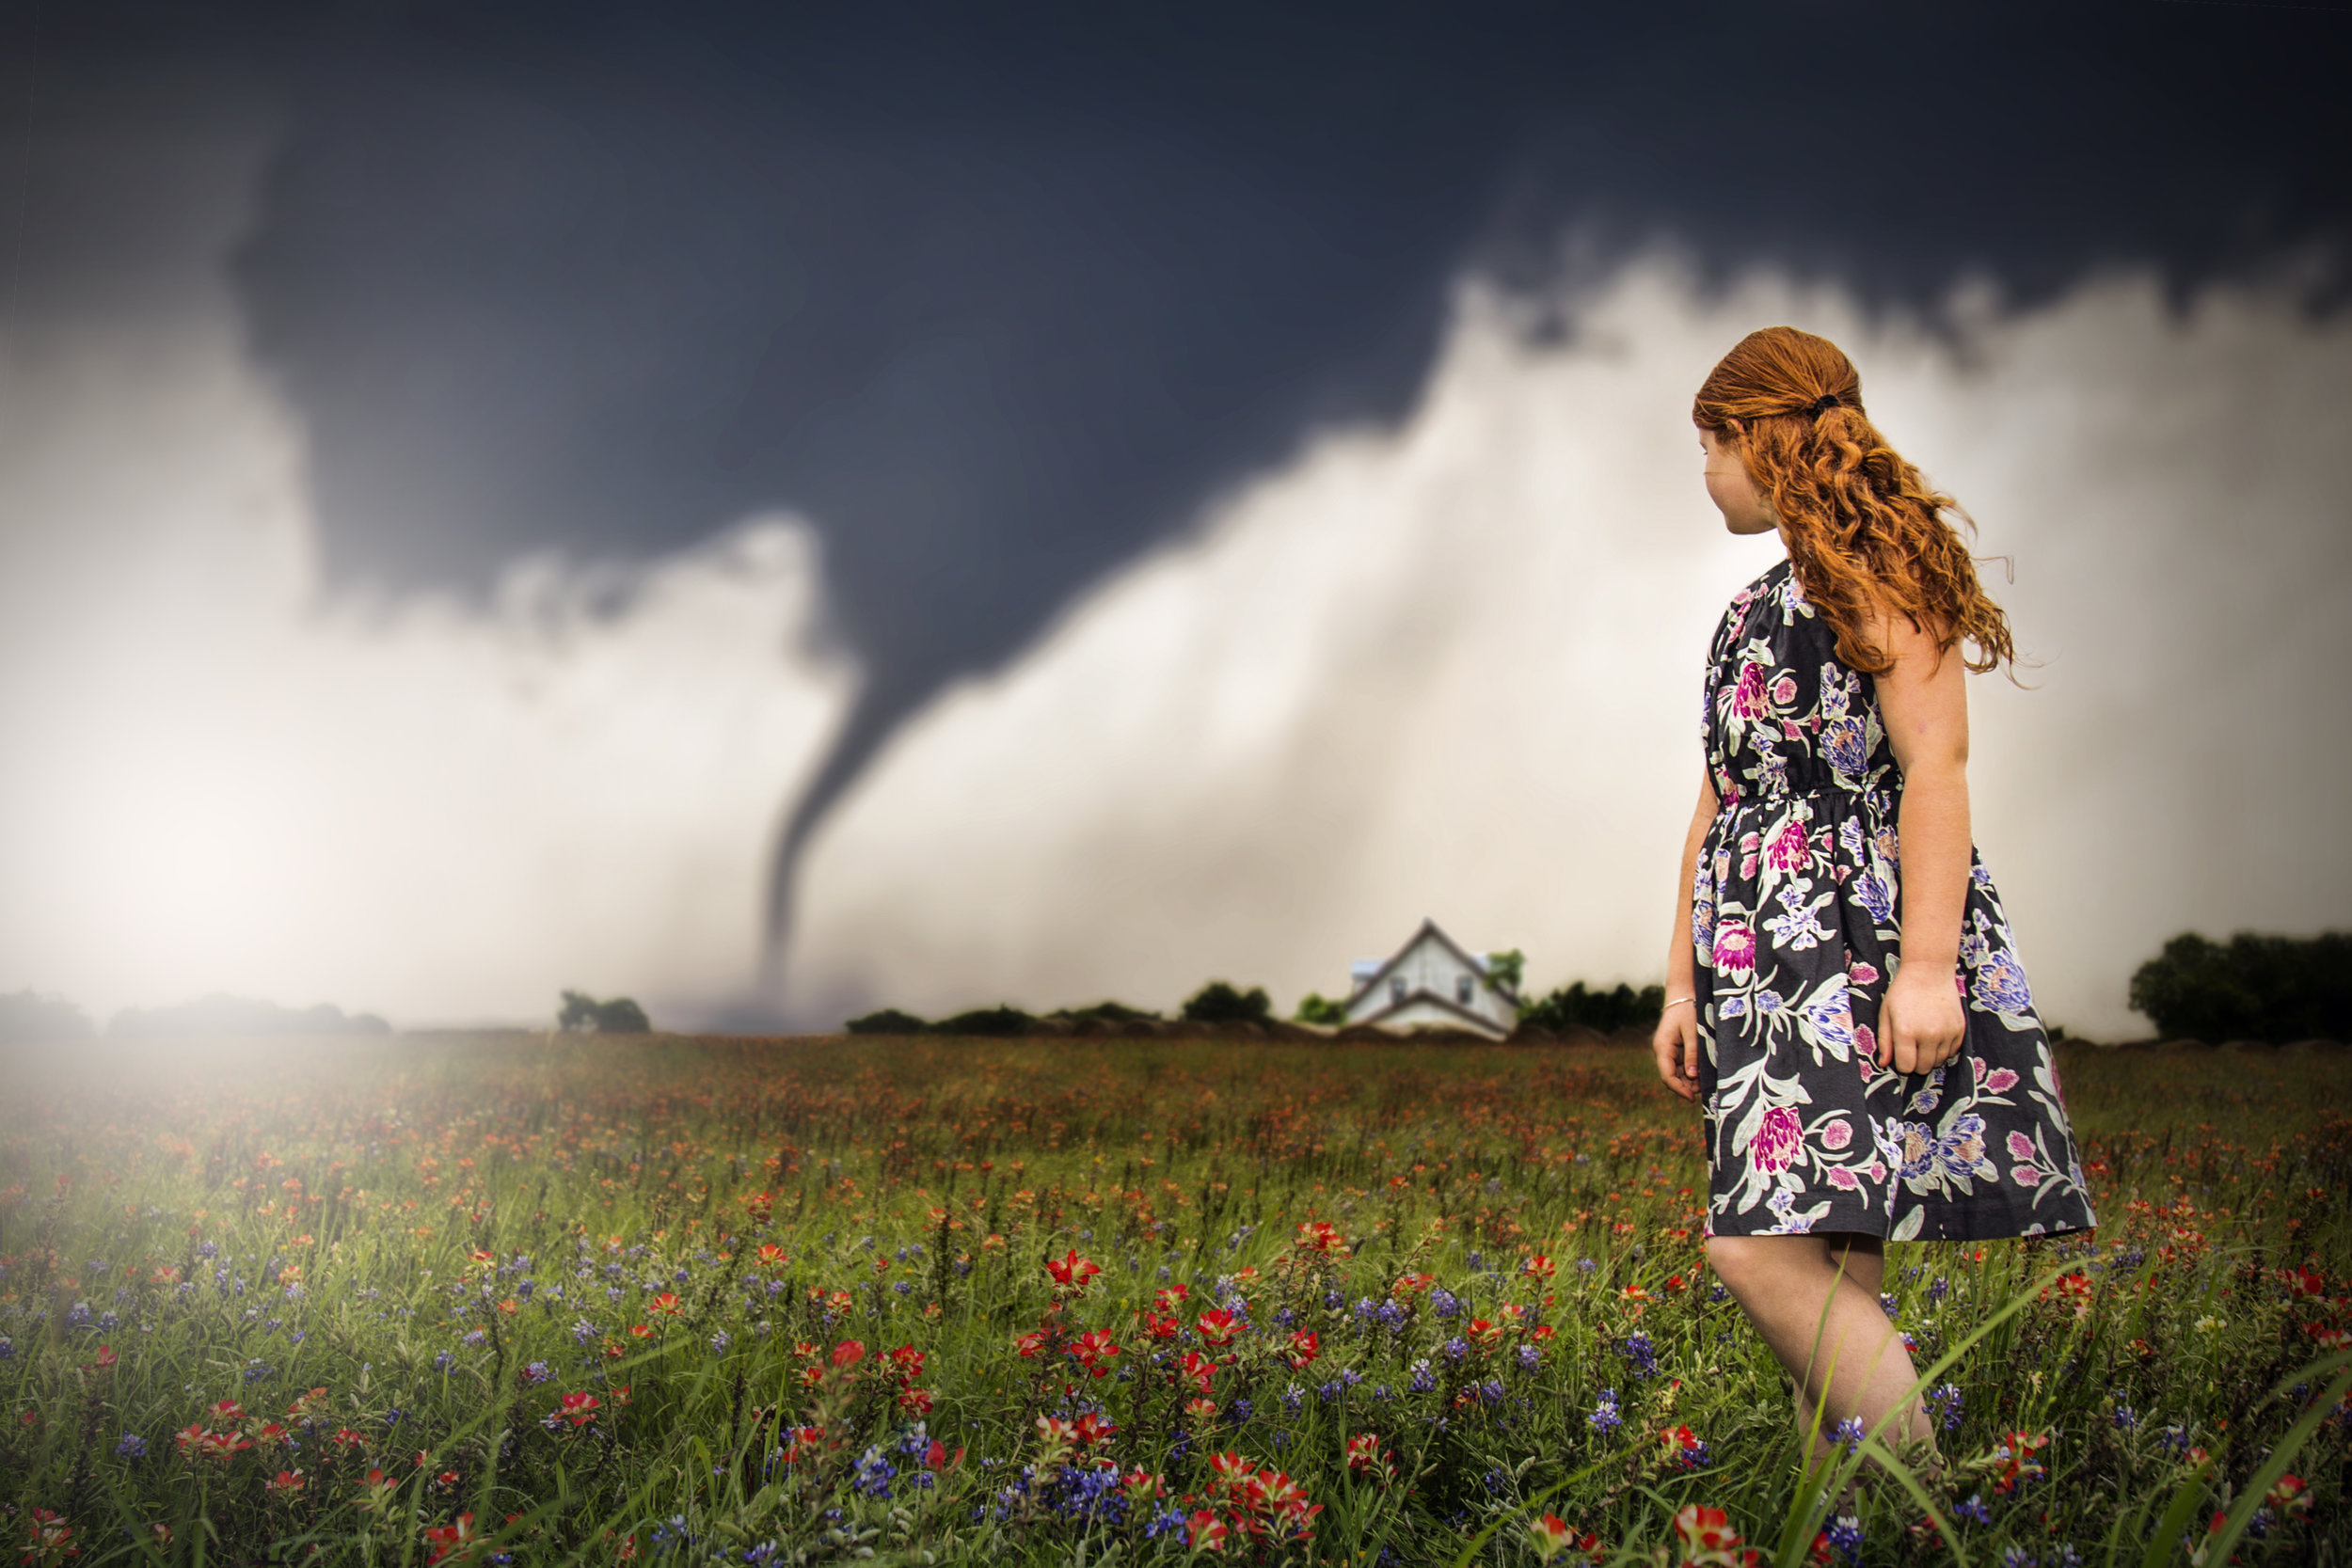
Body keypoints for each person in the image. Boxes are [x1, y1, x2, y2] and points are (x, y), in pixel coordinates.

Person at [1652, 325, 2097, 1482]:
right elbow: (1719, 805)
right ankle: (1845, 1513)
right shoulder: (1753, 607)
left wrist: (1927, 967)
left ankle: (1931, 1498)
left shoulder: (1883, 574)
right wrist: (1680, 976)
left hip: (1856, 943)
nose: (1703, 478)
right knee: (1833, 1258)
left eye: (1706, 450)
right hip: (1756, 953)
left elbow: (1936, 770)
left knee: (1749, 1251)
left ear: (1752, 437)